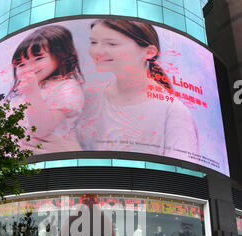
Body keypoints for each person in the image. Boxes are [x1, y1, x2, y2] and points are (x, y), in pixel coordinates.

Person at [76, 19, 199, 159]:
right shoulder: (89, 96)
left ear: (149, 52)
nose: (97, 51)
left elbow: (182, 172)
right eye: (93, 42)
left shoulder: (173, 111)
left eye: (112, 44)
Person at [6, 25, 85, 154]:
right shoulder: (20, 95)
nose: (29, 67)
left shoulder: (67, 87)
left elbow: (41, 129)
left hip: (48, 156)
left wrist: (32, 93)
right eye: (21, 64)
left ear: (60, 56)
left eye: (38, 58)